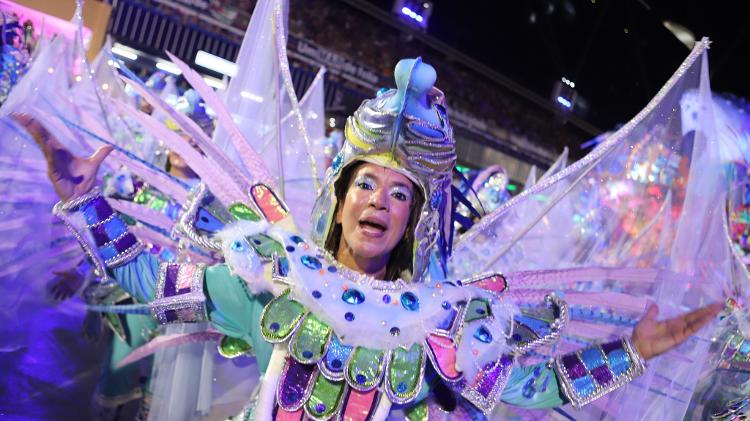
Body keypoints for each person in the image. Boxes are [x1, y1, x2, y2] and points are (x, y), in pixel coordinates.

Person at [11, 54, 724, 420]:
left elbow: (540, 383)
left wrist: (633, 350)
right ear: (341, 197)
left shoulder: (444, 324)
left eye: (399, 193)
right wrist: (86, 199)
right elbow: (148, 280)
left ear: (412, 221)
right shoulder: (274, 279)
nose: (379, 201)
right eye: (366, 184)